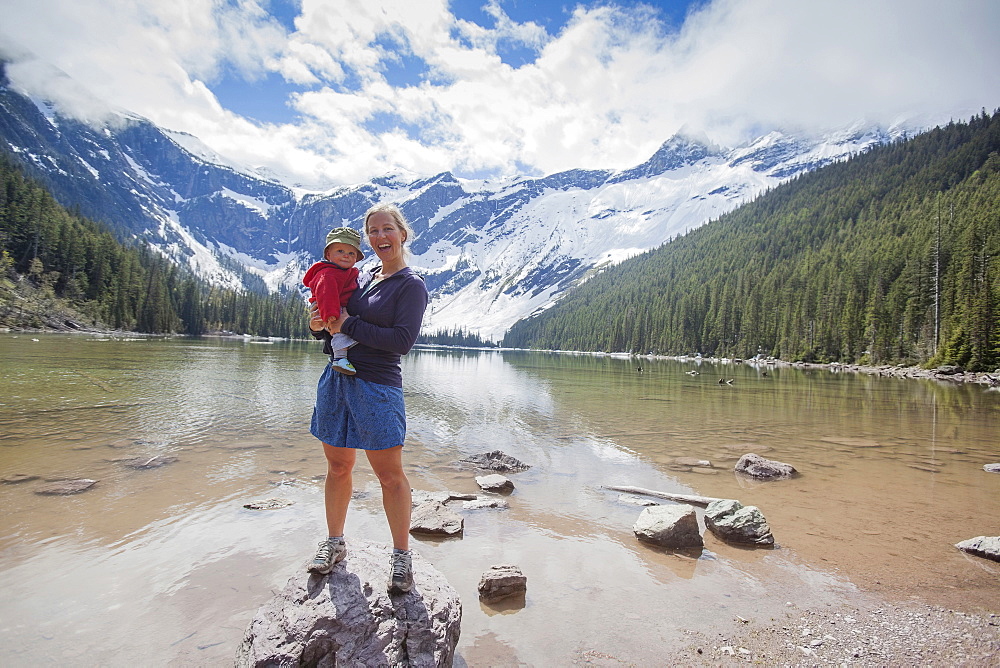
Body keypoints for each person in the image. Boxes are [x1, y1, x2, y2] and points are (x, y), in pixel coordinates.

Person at [306, 203, 429, 596]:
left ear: (402, 234)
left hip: (377, 386)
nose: (380, 238)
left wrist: (348, 323)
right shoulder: (362, 278)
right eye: (372, 231)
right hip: (337, 381)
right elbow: (333, 324)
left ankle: (401, 558)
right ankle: (335, 543)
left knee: (389, 475)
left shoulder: (411, 285)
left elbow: (402, 341)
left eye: (387, 229)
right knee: (338, 467)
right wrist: (319, 325)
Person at [302, 227, 364, 375]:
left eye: (351, 253)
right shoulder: (328, 274)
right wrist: (331, 314)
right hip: (330, 307)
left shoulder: (347, 272)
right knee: (339, 332)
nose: (346, 256)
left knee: (340, 329)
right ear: (328, 254)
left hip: (335, 306)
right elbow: (326, 294)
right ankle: (340, 358)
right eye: (340, 251)